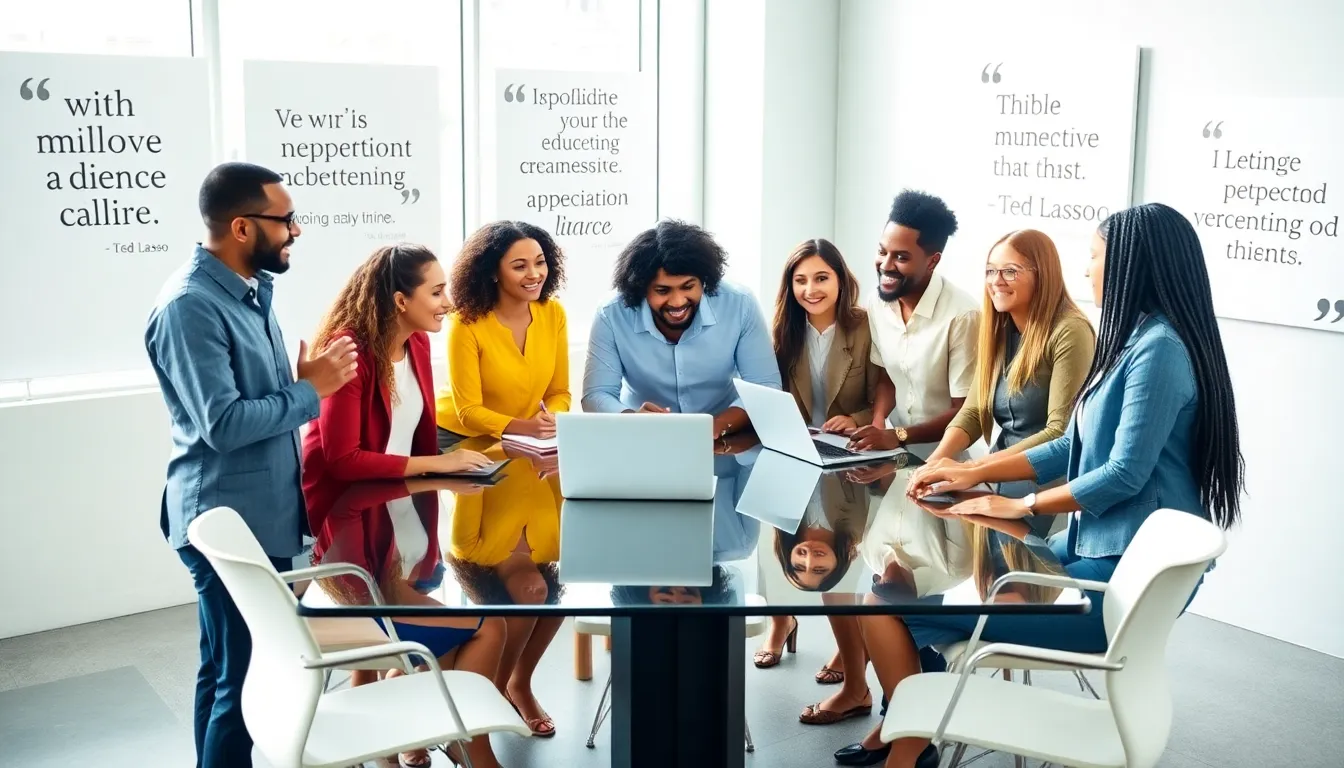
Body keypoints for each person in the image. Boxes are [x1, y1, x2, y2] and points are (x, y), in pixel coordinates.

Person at [839, 202, 1246, 768]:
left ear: (1132, 263)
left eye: (1096, 258)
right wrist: (972, 474)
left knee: (881, 605)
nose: (1088, 272)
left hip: (1114, 586)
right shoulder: (1138, 341)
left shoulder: (1158, 351)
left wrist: (1020, 501)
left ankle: (907, 746)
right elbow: (1071, 448)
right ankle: (909, 734)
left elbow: (1122, 473)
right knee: (910, 599)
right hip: (1093, 555)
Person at [145, 162, 358, 768]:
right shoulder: (191, 306)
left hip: (256, 514)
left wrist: (300, 384)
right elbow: (225, 424)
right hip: (225, 519)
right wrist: (311, 390)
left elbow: (252, 403)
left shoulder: (250, 290)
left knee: (225, 673)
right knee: (239, 684)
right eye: (285, 220)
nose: (296, 231)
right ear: (242, 227)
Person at [300, 243, 501, 767]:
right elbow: (343, 460)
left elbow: (408, 438)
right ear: (397, 299)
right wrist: (436, 469)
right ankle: (466, 749)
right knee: (488, 629)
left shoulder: (413, 345)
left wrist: (446, 464)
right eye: (436, 292)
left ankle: (407, 739)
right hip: (351, 532)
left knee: (449, 640)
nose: (448, 303)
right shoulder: (350, 351)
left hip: (396, 511)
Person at [754, 238, 884, 726]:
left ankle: (851, 662)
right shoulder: (782, 332)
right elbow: (772, 394)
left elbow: (878, 394)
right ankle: (781, 621)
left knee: (837, 564)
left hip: (846, 458)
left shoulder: (865, 326)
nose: (810, 289)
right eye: (801, 279)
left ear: (840, 279)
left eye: (821, 278)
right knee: (782, 541)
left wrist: (852, 419)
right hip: (795, 450)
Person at [910, 229, 1095, 526]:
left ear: (1042, 274)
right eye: (991, 271)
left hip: (1045, 488)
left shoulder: (1070, 331)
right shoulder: (999, 327)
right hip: (996, 477)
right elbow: (973, 411)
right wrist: (936, 462)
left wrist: (976, 469)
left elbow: (1060, 434)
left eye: (1010, 271)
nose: (996, 281)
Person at [582, 219, 782, 438]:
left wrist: (715, 426)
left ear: (705, 281)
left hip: (728, 441)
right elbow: (596, 394)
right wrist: (631, 418)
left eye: (688, 287)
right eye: (662, 290)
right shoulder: (611, 314)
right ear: (641, 288)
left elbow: (766, 386)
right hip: (644, 440)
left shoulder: (740, 303)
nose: (677, 302)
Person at [447, 446, 566, 739]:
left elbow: (560, 482)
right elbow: (472, 472)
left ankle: (515, 685)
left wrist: (547, 453)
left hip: (516, 439)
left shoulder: (554, 545)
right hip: (484, 444)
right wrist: (527, 448)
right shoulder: (471, 548)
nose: (535, 585)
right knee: (537, 594)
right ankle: (500, 688)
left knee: (553, 606)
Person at [848, 190, 980, 453]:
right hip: (894, 453)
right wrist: (877, 425)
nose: (885, 265)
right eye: (882, 251)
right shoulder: (877, 303)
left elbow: (965, 411)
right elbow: (887, 374)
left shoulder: (963, 315)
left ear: (933, 261)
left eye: (901, 257)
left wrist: (897, 435)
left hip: (946, 458)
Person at [436, 221, 570, 448]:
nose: (535, 274)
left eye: (540, 262)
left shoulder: (553, 312)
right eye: (519, 267)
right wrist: (528, 428)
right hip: (456, 437)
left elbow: (559, 393)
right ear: (493, 273)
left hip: (523, 437)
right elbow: (468, 412)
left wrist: (551, 419)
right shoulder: (466, 323)